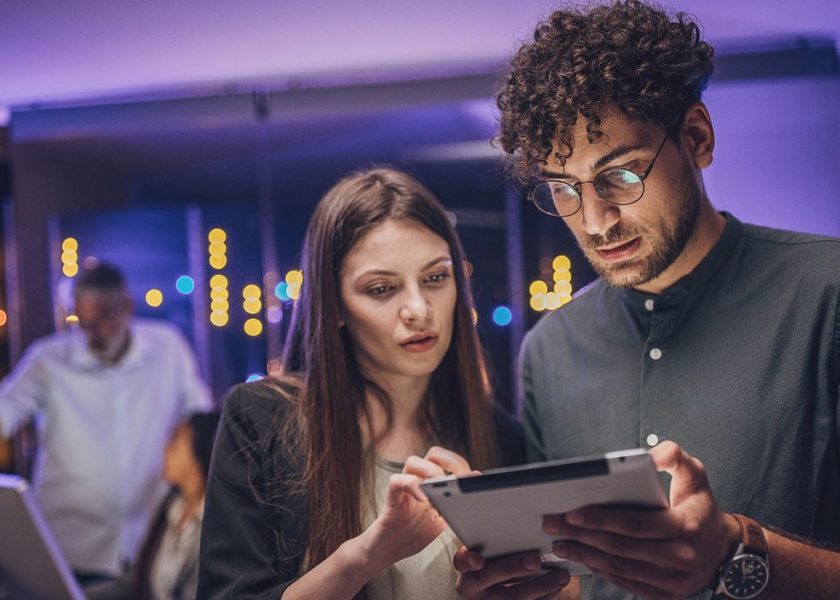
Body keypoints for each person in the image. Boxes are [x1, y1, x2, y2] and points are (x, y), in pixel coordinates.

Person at [452, 2, 840, 599]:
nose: (596, 221)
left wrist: (733, 551)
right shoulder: (549, 351)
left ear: (696, 137)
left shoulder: (828, 292)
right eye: (564, 190)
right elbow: (578, 583)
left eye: (621, 175)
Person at [198, 167, 529, 599]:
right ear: (334, 306)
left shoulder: (498, 434)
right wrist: (366, 555)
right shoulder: (262, 421)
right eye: (381, 289)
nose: (418, 309)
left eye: (434, 278)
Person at [0, 262, 213, 582]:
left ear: (127, 306)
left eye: (103, 320)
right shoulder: (47, 359)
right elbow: (6, 411)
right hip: (71, 548)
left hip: (150, 543)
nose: (93, 334)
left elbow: (201, 419)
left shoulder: (167, 347)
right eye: (84, 323)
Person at [87, 411, 221, 600]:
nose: (166, 448)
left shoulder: (218, 524)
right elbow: (133, 582)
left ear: (198, 458)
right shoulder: (171, 506)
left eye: (175, 441)